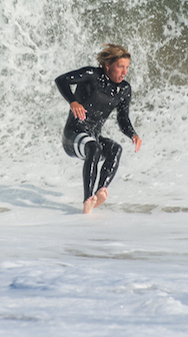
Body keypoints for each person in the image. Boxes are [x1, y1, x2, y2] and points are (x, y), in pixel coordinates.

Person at [55, 44, 143, 214]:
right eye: (120, 67)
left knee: (115, 149)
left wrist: (133, 134)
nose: (124, 72)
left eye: (127, 68)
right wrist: (73, 101)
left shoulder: (123, 89)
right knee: (93, 148)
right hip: (73, 136)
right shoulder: (91, 76)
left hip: (92, 136)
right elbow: (61, 80)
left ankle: (100, 191)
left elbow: (122, 118)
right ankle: (88, 200)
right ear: (108, 65)